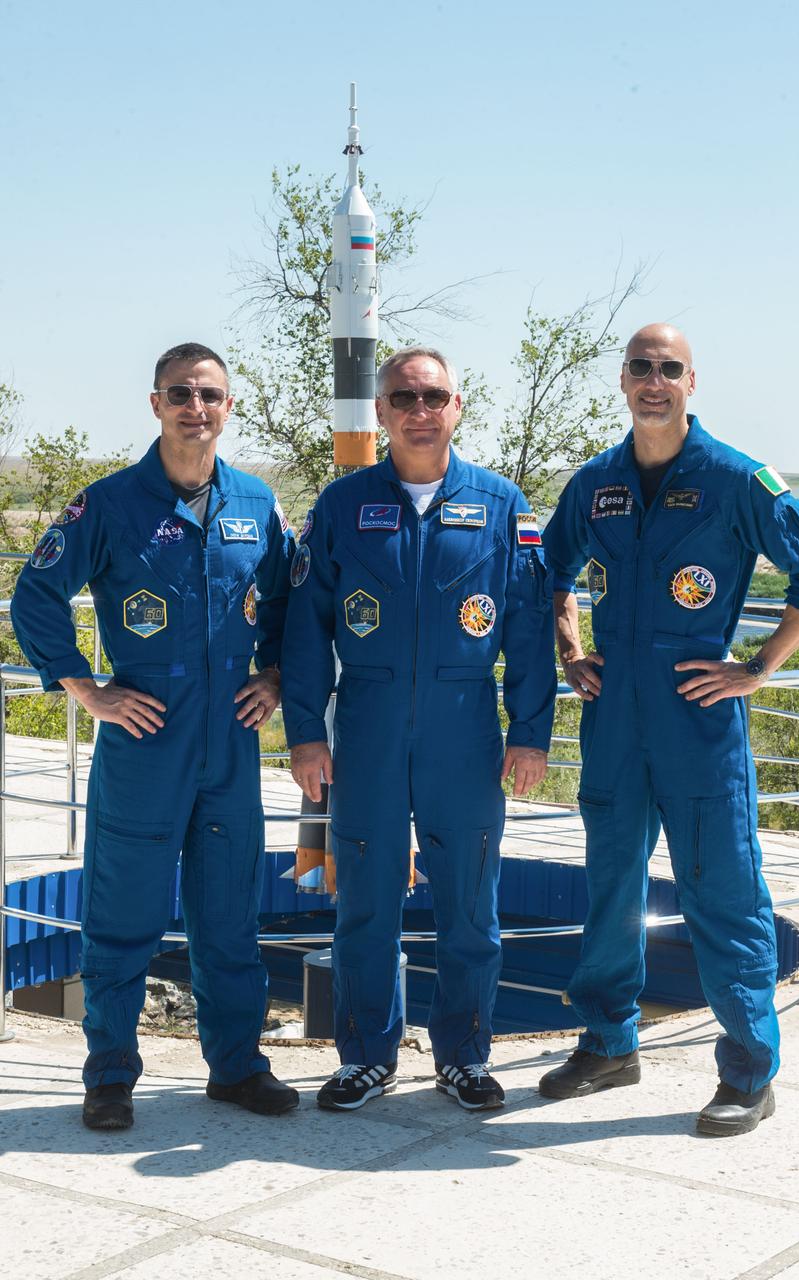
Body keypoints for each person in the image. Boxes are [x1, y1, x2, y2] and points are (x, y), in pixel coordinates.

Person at [538, 323, 799, 1135]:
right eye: (640, 367)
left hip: (698, 720)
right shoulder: (595, 483)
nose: (653, 380)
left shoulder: (737, 478)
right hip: (614, 720)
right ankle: (608, 1044)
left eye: (667, 368)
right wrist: (571, 650)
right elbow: (549, 570)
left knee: (723, 892)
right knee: (610, 887)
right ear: (622, 380)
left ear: (689, 382)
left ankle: (747, 1071)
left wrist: (759, 666)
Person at [11, 342, 300, 1129]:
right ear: (156, 404)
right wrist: (85, 688)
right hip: (145, 740)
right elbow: (35, 595)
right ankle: (109, 1075)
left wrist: (275, 676)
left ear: (228, 406)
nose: (194, 408)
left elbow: (291, 603)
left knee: (228, 916)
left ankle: (237, 1066)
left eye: (208, 394)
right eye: (180, 394)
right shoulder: (108, 504)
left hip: (229, 744)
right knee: (122, 917)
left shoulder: (256, 504)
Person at [282, 346, 556, 1111]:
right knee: (365, 905)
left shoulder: (501, 505)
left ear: (457, 406)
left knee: (469, 907)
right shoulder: (342, 505)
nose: (419, 410)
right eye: (403, 398)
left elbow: (529, 628)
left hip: (464, 731)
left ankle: (463, 1057)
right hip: (364, 729)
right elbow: (305, 629)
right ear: (381, 411)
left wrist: (529, 731)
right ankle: (366, 1058)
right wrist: (305, 732)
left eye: (433, 396)